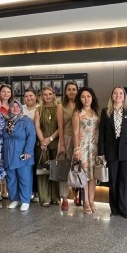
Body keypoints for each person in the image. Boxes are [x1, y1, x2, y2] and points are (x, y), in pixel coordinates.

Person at [99, 86, 127, 218]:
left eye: (121, 93)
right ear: (112, 96)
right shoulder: (105, 112)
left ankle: (124, 209)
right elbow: (102, 134)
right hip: (111, 150)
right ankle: (114, 209)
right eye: (115, 93)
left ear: (124, 96)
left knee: (124, 180)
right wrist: (101, 153)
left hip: (126, 150)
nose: (118, 95)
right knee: (113, 180)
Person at [3, 100, 36, 211]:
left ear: (21, 108)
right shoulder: (7, 121)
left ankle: (25, 200)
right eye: (13, 106)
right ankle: (15, 199)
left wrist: (28, 151)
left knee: (24, 178)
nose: (15, 108)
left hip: (22, 153)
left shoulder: (26, 120)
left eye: (18, 106)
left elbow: (32, 135)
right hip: (8, 154)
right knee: (11, 178)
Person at [73, 86, 100, 214]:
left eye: (88, 96)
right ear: (80, 99)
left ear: (92, 98)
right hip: (83, 148)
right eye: (83, 97)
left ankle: (92, 200)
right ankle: (86, 202)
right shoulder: (77, 113)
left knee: (93, 176)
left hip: (95, 148)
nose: (86, 99)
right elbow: (75, 133)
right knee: (84, 176)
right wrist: (77, 150)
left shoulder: (96, 112)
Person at [34, 86, 60, 207]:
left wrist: (50, 139)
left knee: (55, 171)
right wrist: (43, 141)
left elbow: (60, 127)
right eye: (45, 94)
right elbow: (37, 126)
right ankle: (44, 198)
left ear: (54, 95)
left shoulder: (59, 108)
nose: (48, 96)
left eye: (50, 94)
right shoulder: (38, 109)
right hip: (42, 145)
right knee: (43, 171)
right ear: (42, 96)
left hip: (55, 142)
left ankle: (55, 197)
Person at [56, 81, 78, 211]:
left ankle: (77, 194)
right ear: (65, 91)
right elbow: (60, 126)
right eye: (69, 89)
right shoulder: (61, 106)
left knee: (78, 168)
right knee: (64, 170)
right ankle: (64, 199)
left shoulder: (81, 105)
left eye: (74, 89)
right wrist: (62, 144)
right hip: (66, 139)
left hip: (79, 140)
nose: (71, 91)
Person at [0, 84, 13, 202]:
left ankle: (4, 189)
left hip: (9, 138)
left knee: (6, 163)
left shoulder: (13, 105)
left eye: (8, 92)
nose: (6, 94)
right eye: (3, 91)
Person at [22, 88, 40, 202]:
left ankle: (36, 192)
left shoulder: (40, 108)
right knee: (25, 168)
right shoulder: (20, 108)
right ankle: (26, 192)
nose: (29, 98)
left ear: (36, 96)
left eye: (31, 96)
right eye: (26, 96)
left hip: (36, 141)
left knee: (35, 166)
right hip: (22, 143)